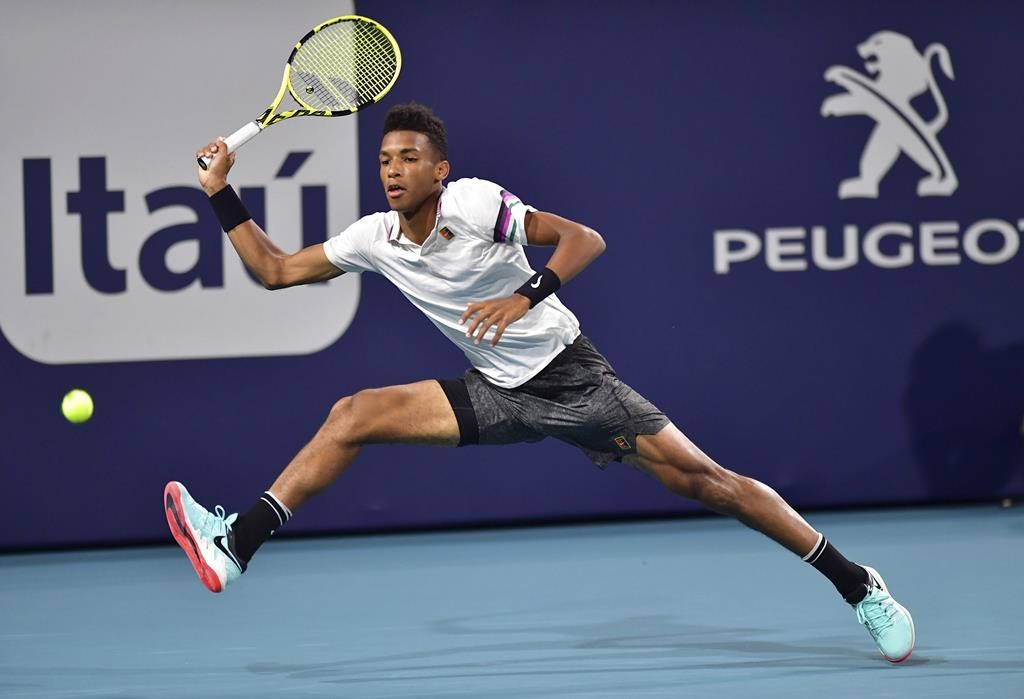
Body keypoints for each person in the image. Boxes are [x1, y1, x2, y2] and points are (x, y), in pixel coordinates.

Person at [166, 103, 914, 663]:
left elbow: (584, 238)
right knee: (353, 413)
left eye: (408, 157)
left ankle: (857, 583)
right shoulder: (374, 238)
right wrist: (220, 192)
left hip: (571, 382)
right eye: (384, 157)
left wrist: (522, 295)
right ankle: (237, 544)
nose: (391, 169)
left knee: (709, 482)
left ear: (439, 170)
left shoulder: (476, 205)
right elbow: (273, 271)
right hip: (494, 387)